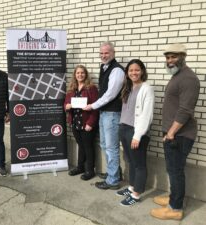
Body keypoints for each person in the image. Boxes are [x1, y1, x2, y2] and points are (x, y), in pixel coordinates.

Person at [150, 43, 200, 220]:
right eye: (168, 57)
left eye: (174, 56)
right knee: (173, 170)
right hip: (174, 133)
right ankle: (173, 198)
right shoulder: (178, 75)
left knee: (176, 171)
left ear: (183, 57)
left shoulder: (188, 79)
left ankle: (175, 208)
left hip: (179, 135)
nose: (169, 60)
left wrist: (171, 132)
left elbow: (185, 110)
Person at [84, 42, 125, 190]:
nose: (103, 56)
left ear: (113, 53)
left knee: (111, 147)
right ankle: (112, 173)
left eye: (106, 53)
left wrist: (92, 105)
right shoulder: (104, 67)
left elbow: (110, 94)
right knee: (104, 145)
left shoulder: (117, 71)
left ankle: (113, 180)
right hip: (104, 112)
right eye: (101, 53)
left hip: (112, 113)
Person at [116, 59, 154, 206]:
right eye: (131, 70)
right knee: (131, 161)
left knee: (139, 164)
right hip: (124, 128)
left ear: (142, 71)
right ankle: (132, 188)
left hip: (136, 131)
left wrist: (138, 135)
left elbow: (147, 114)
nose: (134, 73)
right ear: (127, 73)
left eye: (137, 70)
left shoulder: (146, 88)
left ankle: (136, 194)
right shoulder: (128, 87)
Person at [64, 65, 99, 180]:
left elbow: (95, 107)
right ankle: (80, 167)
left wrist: (91, 123)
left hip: (86, 123)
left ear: (86, 74)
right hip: (75, 122)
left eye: (82, 73)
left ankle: (90, 170)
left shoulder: (91, 88)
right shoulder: (71, 88)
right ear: (75, 75)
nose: (80, 75)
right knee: (81, 145)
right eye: (78, 73)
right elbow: (65, 104)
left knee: (88, 147)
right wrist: (67, 106)